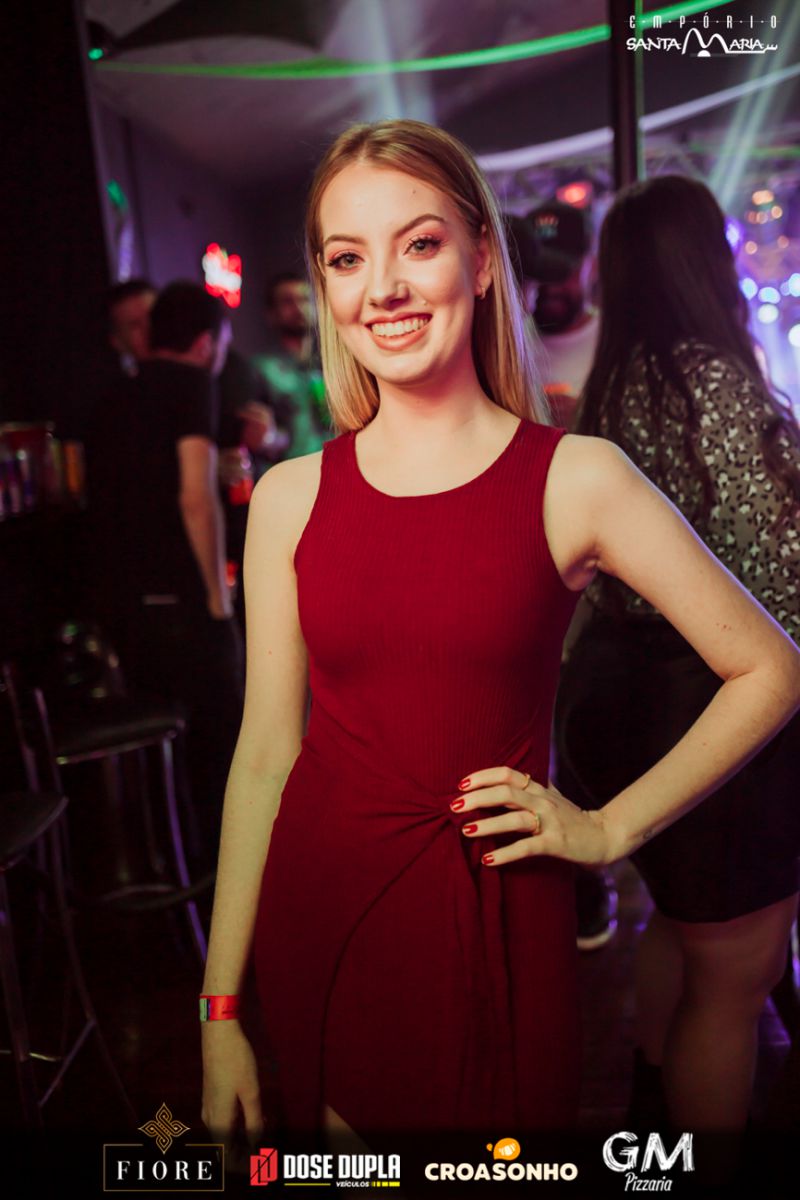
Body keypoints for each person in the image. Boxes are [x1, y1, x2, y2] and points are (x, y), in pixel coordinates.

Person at [200, 123, 800, 1151]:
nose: (384, 288)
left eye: (418, 244)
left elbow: (768, 668)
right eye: (347, 258)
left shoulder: (576, 478)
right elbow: (264, 754)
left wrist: (607, 830)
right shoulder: (290, 498)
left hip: (498, 911)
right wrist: (219, 1009)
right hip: (326, 907)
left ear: (481, 261)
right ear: (327, 288)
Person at [554, 175, 800, 1138]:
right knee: (736, 978)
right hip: (706, 699)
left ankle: (653, 1114)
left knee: (683, 922)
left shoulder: (613, 386)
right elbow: (775, 578)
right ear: (705, 262)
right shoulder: (712, 382)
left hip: (615, 690)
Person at [86, 281, 243, 855]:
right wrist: (218, 601)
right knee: (222, 750)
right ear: (206, 344)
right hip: (182, 601)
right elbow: (194, 499)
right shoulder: (191, 383)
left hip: (126, 607)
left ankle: (184, 863)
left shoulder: (113, 394)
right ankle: (233, 877)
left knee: (172, 755)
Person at [526, 200, 599, 430]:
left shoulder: (618, 341)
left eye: (564, 271)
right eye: (539, 271)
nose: (550, 285)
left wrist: (588, 419)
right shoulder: (502, 342)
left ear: (592, 266)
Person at [251, 271, 332, 458]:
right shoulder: (262, 369)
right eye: (288, 301)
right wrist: (270, 438)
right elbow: (259, 437)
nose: (299, 308)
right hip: (292, 468)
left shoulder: (334, 363)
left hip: (341, 465)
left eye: (305, 299)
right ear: (272, 313)